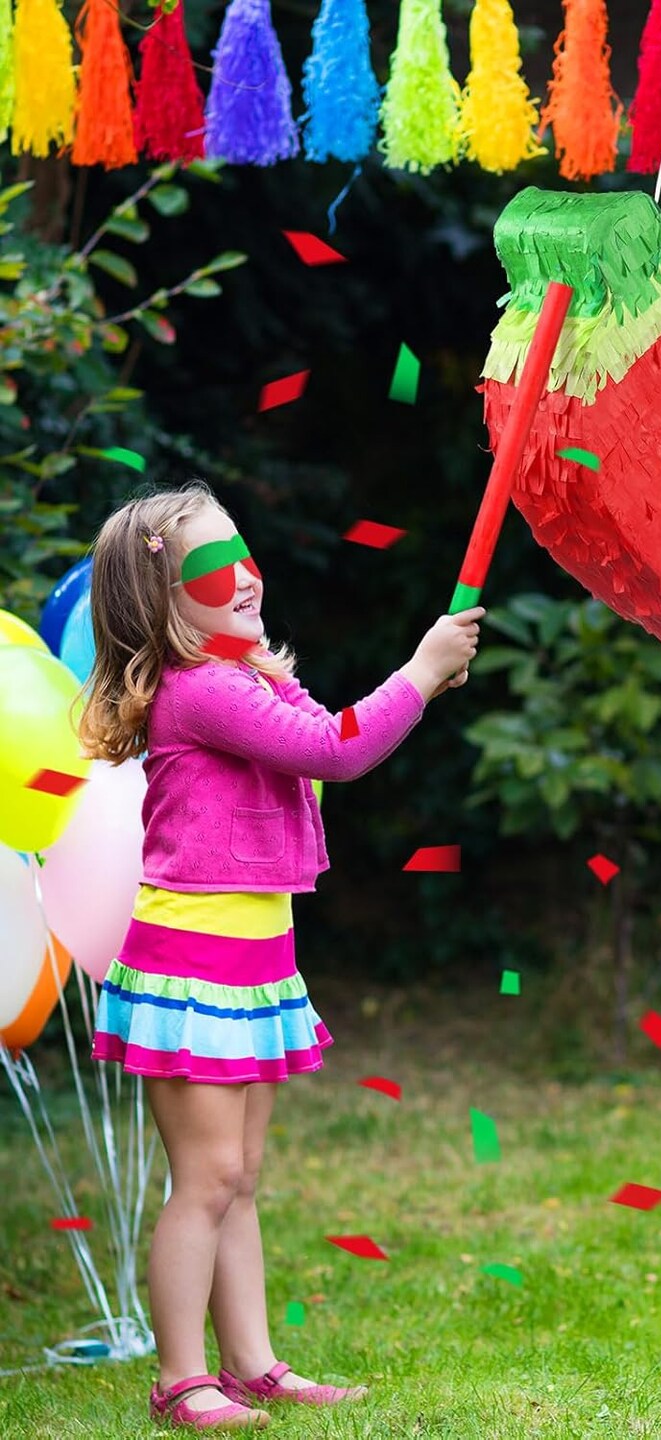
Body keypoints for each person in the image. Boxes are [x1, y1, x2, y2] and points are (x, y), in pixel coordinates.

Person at [79, 481, 482, 1430]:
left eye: (244, 554)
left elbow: (316, 729)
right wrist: (419, 673)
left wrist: (281, 663)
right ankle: (183, 1378)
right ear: (163, 601)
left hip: (252, 958)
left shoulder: (241, 675)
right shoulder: (204, 691)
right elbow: (335, 751)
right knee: (207, 1180)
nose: (246, 576)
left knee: (241, 1178)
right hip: (194, 966)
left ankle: (252, 1363)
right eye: (215, 566)